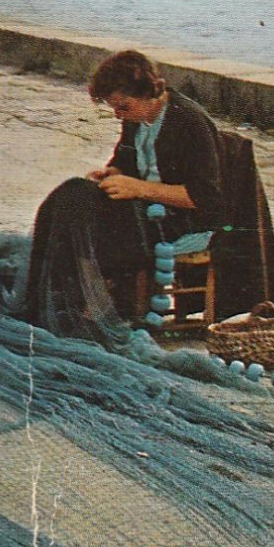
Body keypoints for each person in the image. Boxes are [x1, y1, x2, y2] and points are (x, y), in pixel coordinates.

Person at [19, 50, 227, 342]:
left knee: (82, 210)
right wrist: (113, 172)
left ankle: (77, 306)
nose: (118, 115)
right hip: (144, 206)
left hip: (182, 217)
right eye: (115, 109)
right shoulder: (137, 116)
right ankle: (61, 304)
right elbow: (126, 160)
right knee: (70, 195)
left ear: (149, 93)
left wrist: (139, 188)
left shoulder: (189, 121)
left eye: (123, 107)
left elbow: (205, 199)